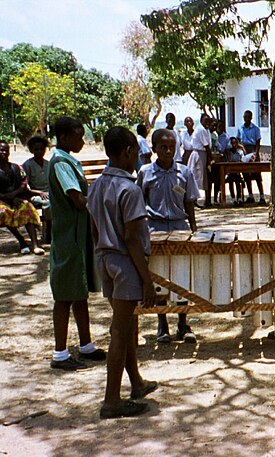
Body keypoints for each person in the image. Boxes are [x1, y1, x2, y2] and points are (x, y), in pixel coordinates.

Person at [87, 126, 158, 419]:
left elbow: (93, 228)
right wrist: (147, 280)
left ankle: (136, 382)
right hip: (125, 263)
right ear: (128, 152)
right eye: (136, 153)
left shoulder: (95, 185)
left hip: (104, 259)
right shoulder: (129, 188)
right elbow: (131, 239)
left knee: (126, 326)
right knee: (119, 331)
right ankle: (111, 400)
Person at [48, 117, 106, 370]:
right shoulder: (60, 162)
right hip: (68, 238)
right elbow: (77, 199)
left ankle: (86, 344)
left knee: (79, 292)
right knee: (64, 296)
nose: (82, 141)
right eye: (78, 136)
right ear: (63, 137)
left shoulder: (68, 160)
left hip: (77, 238)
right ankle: (60, 353)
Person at [136, 129, 200, 344]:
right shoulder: (145, 172)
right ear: (153, 149)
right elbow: (139, 202)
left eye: (172, 147)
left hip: (180, 228)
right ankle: (162, 324)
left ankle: (183, 323)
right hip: (154, 230)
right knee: (158, 278)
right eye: (163, 147)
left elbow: (189, 202)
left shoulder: (184, 172)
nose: (168, 151)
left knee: (182, 276)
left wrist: (193, 229)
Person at [0, 140, 43, 255]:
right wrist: (7, 197)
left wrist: (15, 195)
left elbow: (24, 183)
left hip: (18, 199)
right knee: (2, 212)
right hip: (2, 201)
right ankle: (22, 241)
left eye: (6, 150)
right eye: (1, 150)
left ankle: (35, 245)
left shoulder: (16, 167)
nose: (4, 153)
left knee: (27, 208)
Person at [22, 136, 52, 243]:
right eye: (36, 149)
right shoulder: (27, 165)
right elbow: (24, 186)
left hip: (49, 193)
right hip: (35, 195)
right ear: (32, 150)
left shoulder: (49, 164)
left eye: (41, 149)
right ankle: (48, 229)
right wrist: (39, 192)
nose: (39, 152)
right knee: (48, 203)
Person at [238, 110, 266, 205]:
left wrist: (256, 154)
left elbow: (258, 142)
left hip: (253, 150)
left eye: (248, 117)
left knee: (257, 174)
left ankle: (262, 196)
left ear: (251, 118)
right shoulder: (240, 128)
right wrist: (241, 149)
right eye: (245, 117)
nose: (246, 119)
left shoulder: (255, 129)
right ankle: (250, 195)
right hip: (244, 151)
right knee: (246, 174)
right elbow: (238, 140)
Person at [189, 113, 213, 206]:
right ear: (201, 121)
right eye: (205, 120)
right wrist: (211, 159)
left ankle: (206, 201)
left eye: (208, 121)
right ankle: (194, 200)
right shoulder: (201, 130)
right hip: (199, 154)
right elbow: (206, 146)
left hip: (203, 154)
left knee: (204, 177)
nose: (207, 122)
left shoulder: (206, 130)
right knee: (197, 177)